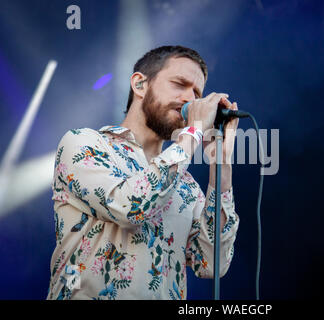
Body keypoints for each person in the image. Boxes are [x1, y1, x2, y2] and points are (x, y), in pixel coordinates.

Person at [47, 45, 240, 300]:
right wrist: (193, 132)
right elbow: (131, 208)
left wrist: (221, 164)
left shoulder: (185, 184)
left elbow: (212, 263)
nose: (190, 100)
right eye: (179, 84)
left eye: (196, 93)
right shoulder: (83, 144)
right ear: (140, 85)